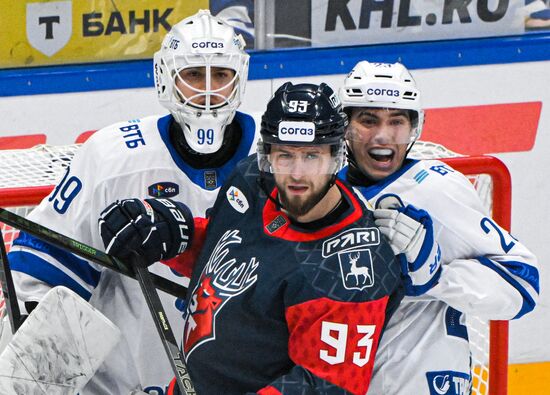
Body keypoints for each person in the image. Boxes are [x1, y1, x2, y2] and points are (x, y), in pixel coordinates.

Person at [98, 82, 406, 395]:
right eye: (285, 156)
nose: (297, 174)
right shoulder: (250, 181)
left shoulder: (353, 270)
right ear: (267, 155)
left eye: (312, 156)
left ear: (337, 157)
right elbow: (227, 255)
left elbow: (325, 386)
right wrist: (174, 235)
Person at [7, 9, 256, 394]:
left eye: (220, 75)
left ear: (240, 78)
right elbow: (42, 271)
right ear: (166, 78)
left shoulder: (277, 159)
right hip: (118, 386)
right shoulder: (112, 158)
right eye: (193, 75)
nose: (207, 90)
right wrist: (41, 376)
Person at [338, 61, 539, 394]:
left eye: (397, 121)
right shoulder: (324, 191)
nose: (383, 135)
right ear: (346, 125)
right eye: (368, 120)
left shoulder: (436, 190)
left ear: (415, 127)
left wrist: (436, 276)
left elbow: (523, 284)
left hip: (420, 382)